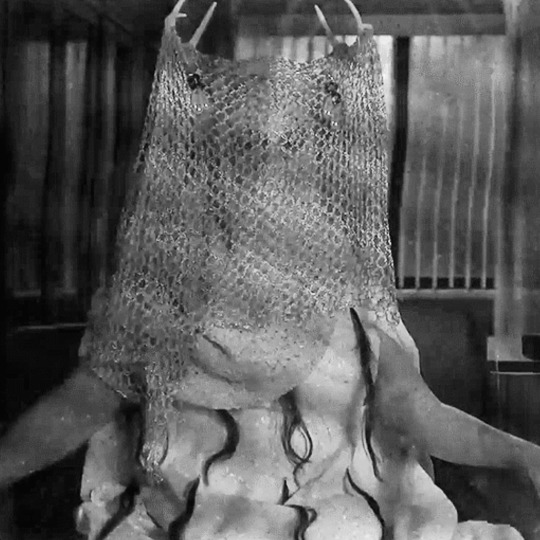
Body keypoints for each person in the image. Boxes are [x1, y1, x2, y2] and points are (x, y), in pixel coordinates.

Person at [1, 2, 539, 539]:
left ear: (317, 164)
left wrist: (521, 453)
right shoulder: (159, 292)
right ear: (208, 162)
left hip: (339, 516)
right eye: (247, 146)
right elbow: (81, 404)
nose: (268, 168)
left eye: (291, 146)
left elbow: (415, 408)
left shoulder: (352, 292)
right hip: (198, 518)